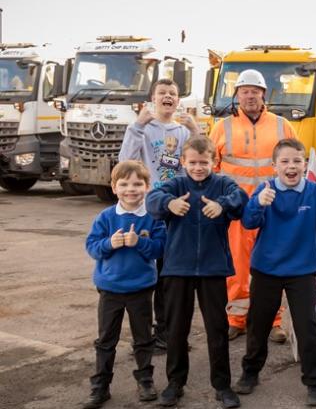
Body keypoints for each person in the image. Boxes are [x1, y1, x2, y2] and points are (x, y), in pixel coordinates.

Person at [234, 138, 316, 407]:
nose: (291, 166)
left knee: (306, 326)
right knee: (257, 325)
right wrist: (258, 204)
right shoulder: (264, 190)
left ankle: (315, 382)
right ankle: (250, 373)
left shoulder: (315, 191)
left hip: (302, 270)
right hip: (267, 269)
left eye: (296, 161)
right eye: (284, 161)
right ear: (274, 166)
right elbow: (249, 222)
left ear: (303, 164)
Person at [146, 136, 248, 408]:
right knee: (176, 328)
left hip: (213, 269)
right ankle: (175, 383)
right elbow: (152, 198)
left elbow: (241, 197)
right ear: (183, 162)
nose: (198, 167)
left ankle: (222, 385)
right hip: (178, 268)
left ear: (215, 161)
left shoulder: (222, 184)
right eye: (192, 162)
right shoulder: (176, 184)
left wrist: (222, 205)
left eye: (204, 162)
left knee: (217, 328)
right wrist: (169, 204)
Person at [210, 69, 296, 343]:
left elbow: (296, 163)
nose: (249, 96)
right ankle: (237, 319)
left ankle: (274, 321)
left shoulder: (282, 125)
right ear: (236, 96)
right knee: (237, 265)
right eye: (244, 91)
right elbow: (211, 167)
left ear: (263, 95)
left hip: (274, 208)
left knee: (273, 264)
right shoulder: (221, 127)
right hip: (236, 209)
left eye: (254, 91)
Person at [118, 77, 200, 352]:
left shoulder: (184, 131)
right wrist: (138, 124)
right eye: (162, 92)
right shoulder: (144, 128)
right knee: (146, 274)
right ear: (153, 99)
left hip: (177, 213)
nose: (168, 96)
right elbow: (125, 161)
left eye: (172, 93)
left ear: (178, 100)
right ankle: (143, 336)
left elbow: (203, 163)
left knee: (170, 276)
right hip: (149, 212)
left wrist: (196, 129)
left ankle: (166, 332)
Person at [83, 161, 166, 409]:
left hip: (141, 289)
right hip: (110, 289)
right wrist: (110, 243)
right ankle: (101, 386)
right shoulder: (106, 217)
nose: (131, 189)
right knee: (106, 339)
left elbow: (161, 248)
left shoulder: (153, 217)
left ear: (147, 186)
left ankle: (145, 380)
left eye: (137, 184)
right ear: (114, 187)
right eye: (124, 184)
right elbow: (92, 247)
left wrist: (139, 243)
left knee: (143, 339)